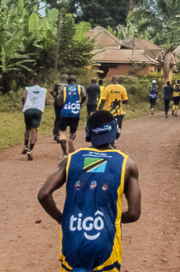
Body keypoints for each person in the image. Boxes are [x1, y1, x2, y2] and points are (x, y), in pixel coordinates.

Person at [38, 110, 141, 272]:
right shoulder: (127, 164)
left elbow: (43, 194)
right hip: (105, 244)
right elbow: (134, 214)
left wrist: (61, 219)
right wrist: (110, 217)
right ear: (116, 132)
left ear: (88, 133)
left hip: (72, 241)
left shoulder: (71, 159)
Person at [56, 76, 86, 157]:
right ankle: (71, 140)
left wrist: (62, 104)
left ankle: (64, 153)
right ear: (75, 81)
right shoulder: (80, 87)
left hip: (65, 113)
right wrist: (80, 103)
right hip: (75, 112)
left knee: (62, 132)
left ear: (67, 82)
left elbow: (59, 102)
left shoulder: (64, 89)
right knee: (72, 132)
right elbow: (84, 95)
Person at [21, 75, 47, 160]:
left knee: (27, 128)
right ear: (40, 83)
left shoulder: (28, 89)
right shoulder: (44, 90)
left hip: (28, 110)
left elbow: (24, 97)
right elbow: (47, 101)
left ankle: (25, 145)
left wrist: (24, 106)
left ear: (33, 82)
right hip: (37, 111)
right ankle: (30, 150)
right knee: (34, 129)